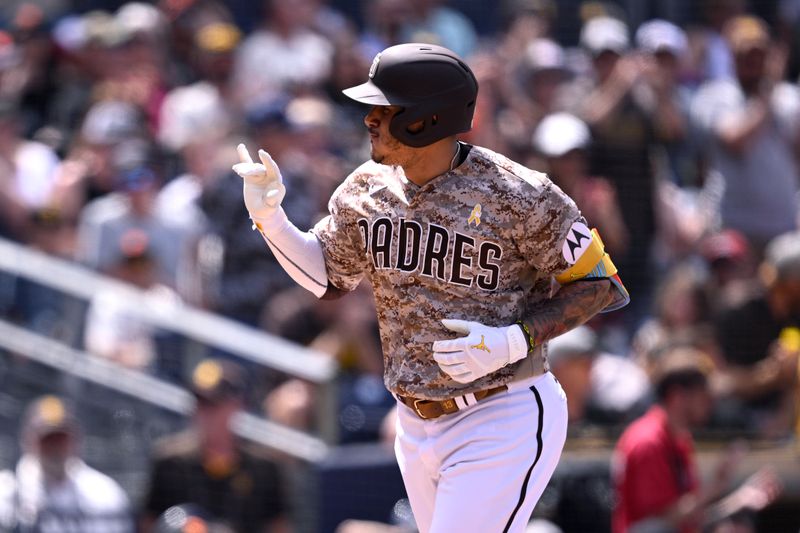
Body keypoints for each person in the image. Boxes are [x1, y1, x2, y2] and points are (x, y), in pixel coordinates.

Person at [232, 43, 629, 533]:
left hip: (501, 412)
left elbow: (601, 285)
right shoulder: (365, 188)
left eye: (384, 109)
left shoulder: (520, 192)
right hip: (414, 424)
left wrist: (515, 339)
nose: (369, 120)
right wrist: (271, 220)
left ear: (425, 119)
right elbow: (328, 280)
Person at [612, 347, 781, 533]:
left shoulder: (680, 438)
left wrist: (739, 500)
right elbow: (659, 523)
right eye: (704, 395)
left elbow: (691, 520)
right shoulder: (647, 441)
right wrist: (716, 487)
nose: (710, 403)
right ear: (677, 397)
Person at [141, 358, 289, 533]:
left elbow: (279, 527)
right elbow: (149, 524)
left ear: (236, 405)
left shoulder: (263, 468)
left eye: (214, 404)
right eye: (200, 403)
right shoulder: (170, 462)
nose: (205, 412)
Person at [0, 395, 134, 532]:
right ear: (29, 441)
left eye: (61, 438)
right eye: (47, 439)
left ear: (75, 440)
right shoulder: (7, 491)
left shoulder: (104, 493)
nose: (55, 447)